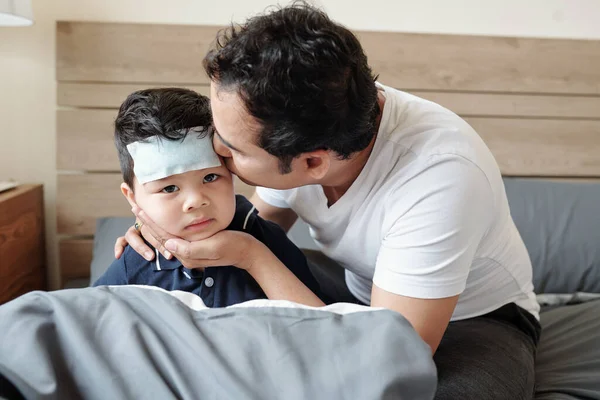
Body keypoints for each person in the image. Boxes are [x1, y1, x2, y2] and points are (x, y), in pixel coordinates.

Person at [116, 3, 541, 398]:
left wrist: (252, 256)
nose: (219, 153)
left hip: (470, 320)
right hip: (354, 285)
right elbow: (257, 226)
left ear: (313, 162)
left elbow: (391, 354)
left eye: (234, 150)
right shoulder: (303, 105)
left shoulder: (441, 178)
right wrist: (166, 234)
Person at [96, 87, 325, 308]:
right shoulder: (135, 260)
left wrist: (251, 254)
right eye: (169, 189)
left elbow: (325, 324)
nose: (196, 200)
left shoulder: (269, 241)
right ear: (133, 198)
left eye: (210, 177)